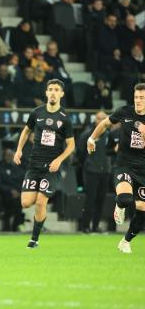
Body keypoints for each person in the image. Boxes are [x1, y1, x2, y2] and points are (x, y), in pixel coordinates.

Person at [14, 79, 75, 248]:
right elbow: (26, 131)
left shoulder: (65, 119)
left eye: (57, 89)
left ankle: (34, 239)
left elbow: (72, 145)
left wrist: (59, 160)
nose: (53, 92)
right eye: (50, 89)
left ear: (61, 94)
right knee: (26, 203)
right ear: (46, 93)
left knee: (41, 202)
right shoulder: (36, 113)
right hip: (34, 165)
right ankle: (39, 214)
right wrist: (19, 150)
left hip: (51, 168)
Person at [87, 83, 145, 253]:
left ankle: (126, 241)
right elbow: (105, 123)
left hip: (143, 170)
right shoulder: (125, 111)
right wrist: (92, 139)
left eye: (142, 98)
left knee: (142, 210)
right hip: (124, 165)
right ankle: (119, 206)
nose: (139, 101)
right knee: (126, 199)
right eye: (136, 97)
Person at [77, 111, 110, 233]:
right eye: (98, 118)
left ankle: (95, 226)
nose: (100, 120)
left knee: (101, 200)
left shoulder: (109, 135)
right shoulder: (87, 135)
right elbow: (80, 152)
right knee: (90, 199)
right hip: (91, 171)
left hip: (105, 171)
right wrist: (87, 163)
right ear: (95, 119)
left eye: (103, 118)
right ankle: (85, 226)